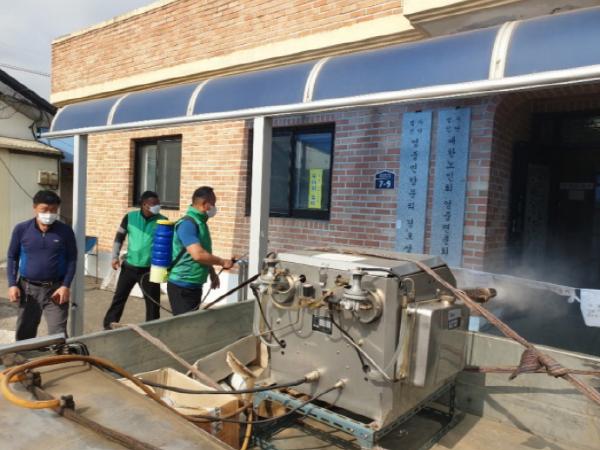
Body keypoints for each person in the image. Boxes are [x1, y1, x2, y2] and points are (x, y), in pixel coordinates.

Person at [6, 190, 77, 340]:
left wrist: (66, 285)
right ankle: (25, 355)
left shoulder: (65, 231)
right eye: (44, 209)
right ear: (35, 208)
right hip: (28, 290)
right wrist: (12, 284)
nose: (49, 214)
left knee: (58, 335)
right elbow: (12, 256)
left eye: (53, 210)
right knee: (25, 334)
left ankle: (59, 355)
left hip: (56, 290)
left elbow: (72, 259)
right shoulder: (21, 229)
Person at [102, 191, 167, 329]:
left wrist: (165, 267)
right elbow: (119, 237)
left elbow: (168, 245)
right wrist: (114, 257)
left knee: (153, 304)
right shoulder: (130, 217)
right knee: (119, 298)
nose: (158, 206)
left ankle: (152, 329)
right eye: (154, 204)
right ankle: (108, 326)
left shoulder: (163, 221)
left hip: (150, 270)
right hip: (129, 267)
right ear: (144, 205)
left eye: (158, 203)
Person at [167, 186, 234, 315]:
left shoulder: (200, 223)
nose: (214, 207)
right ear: (204, 204)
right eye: (213, 204)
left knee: (191, 323)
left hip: (194, 285)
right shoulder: (188, 224)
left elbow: (204, 251)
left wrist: (212, 273)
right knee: (186, 325)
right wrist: (222, 262)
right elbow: (198, 254)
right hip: (182, 286)